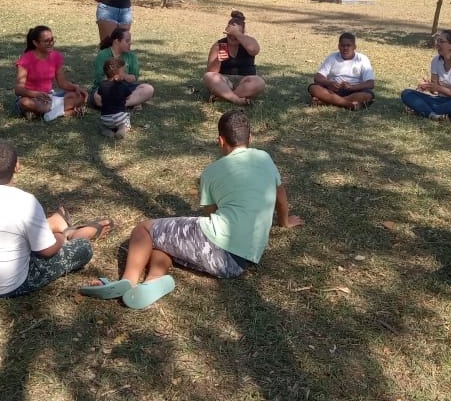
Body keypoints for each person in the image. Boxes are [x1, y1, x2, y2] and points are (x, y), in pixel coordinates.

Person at [79, 110, 304, 309]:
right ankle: (153, 280)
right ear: (250, 138)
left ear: (220, 140)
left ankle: (127, 280)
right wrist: (284, 221)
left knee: (144, 230)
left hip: (217, 247)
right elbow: (280, 195)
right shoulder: (265, 158)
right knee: (165, 242)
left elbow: (210, 214)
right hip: (239, 263)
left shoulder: (211, 172)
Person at [0, 139, 112, 297]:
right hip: (9, 286)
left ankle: (53, 226)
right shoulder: (26, 202)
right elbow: (47, 252)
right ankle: (70, 234)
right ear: (17, 166)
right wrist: (60, 237)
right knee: (84, 247)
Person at [14, 26, 86, 121]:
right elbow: (18, 90)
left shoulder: (56, 56)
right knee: (24, 102)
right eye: (46, 41)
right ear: (35, 43)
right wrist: (36, 94)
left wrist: (76, 88)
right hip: (31, 97)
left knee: (80, 96)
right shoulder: (26, 59)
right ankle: (65, 111)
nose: (51, 43)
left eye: (52, 39)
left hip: (50, 97)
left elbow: (63, 83)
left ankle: (45, 113)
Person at [400, 29, 451, 121]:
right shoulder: (436, 61)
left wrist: (437, 87)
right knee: (407, 93)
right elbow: (435, 92)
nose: (437, 44)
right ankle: (433, 115)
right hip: (439, 101)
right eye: (438, 41)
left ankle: (423, 110)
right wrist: (428, 86)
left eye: (442, 41)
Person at [203, 10, 266, 105]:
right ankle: (236, 100)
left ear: (242, 33)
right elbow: (211, 71)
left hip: (245, 81)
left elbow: (254, 50)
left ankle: (222, 97)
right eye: (230, 34)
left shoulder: (249, 41)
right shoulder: (219, 45)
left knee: (259, 82)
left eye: (235, 34)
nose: (232, 37)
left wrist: (237, 34)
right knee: (209, 77)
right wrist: (218, 60)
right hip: (224, 82)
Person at [308, 32, 375, 110]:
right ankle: (348, 104)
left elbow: (370, 83)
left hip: (354, 91)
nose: (345, 48)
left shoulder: (362, 59)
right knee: (313, 88)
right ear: (339, 46)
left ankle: (326, 102)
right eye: (342, 45)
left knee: (368, 95)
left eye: (348, 45)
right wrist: (330, 83)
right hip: (333, 91)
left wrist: (352, 87)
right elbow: (318, 77)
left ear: (354, 47)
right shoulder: (332, 57)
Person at [90, 27, 155, 108]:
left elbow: (134, 77)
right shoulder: (103, 55)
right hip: (106, 88)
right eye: (127, 41)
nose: (130, 43)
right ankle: (131, 102)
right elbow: (99, 79)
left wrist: (123, 76)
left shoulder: (131, 56)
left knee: (148, 89)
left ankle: (122, 104)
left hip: (125, 88)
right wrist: (115, 78)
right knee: (97, 97)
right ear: (117, 41)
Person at [94, 57, 131, 139]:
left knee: (102, 123)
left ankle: (106, 130)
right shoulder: (123, 85)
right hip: (120, 117)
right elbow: (128, 97)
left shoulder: (102, 85)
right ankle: (122, 129)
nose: (124, 73)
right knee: (127, 117)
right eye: (123, 71)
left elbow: (99, 97)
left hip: (106, 118)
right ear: (116, 74)